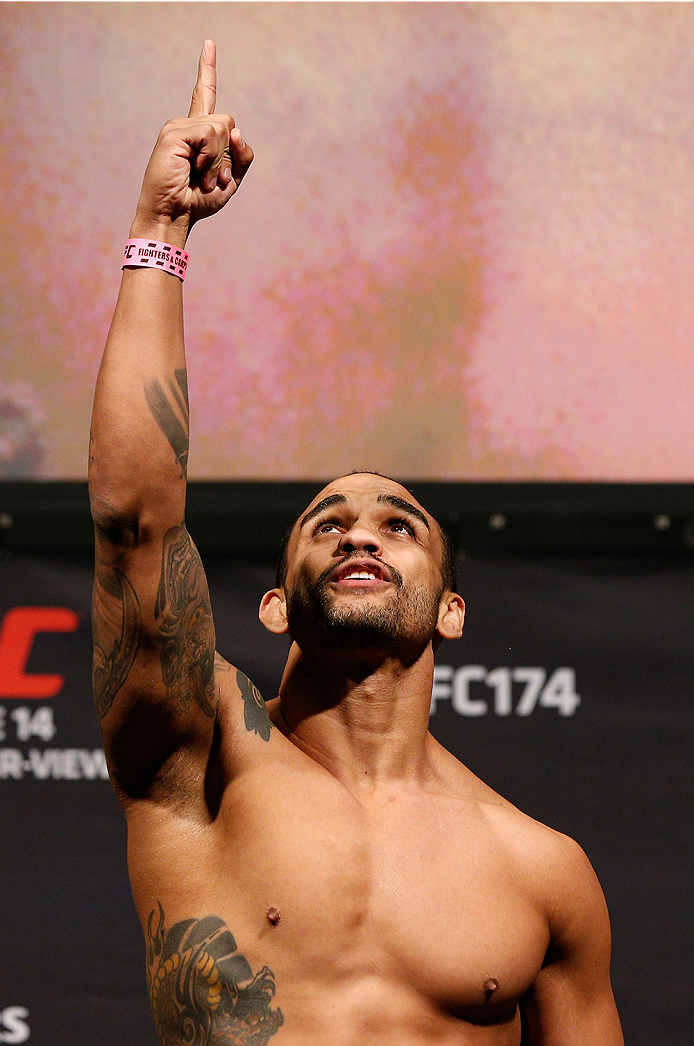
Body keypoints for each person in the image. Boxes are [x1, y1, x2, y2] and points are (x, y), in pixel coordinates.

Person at [89, 40, 624, 1046]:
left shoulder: (542, 870)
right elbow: (134, 520)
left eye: (396, 522)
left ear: (450, 606)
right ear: (276, 603)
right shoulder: (203, 761)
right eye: (325, 522)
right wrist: (160, 228)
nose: (359, 531)